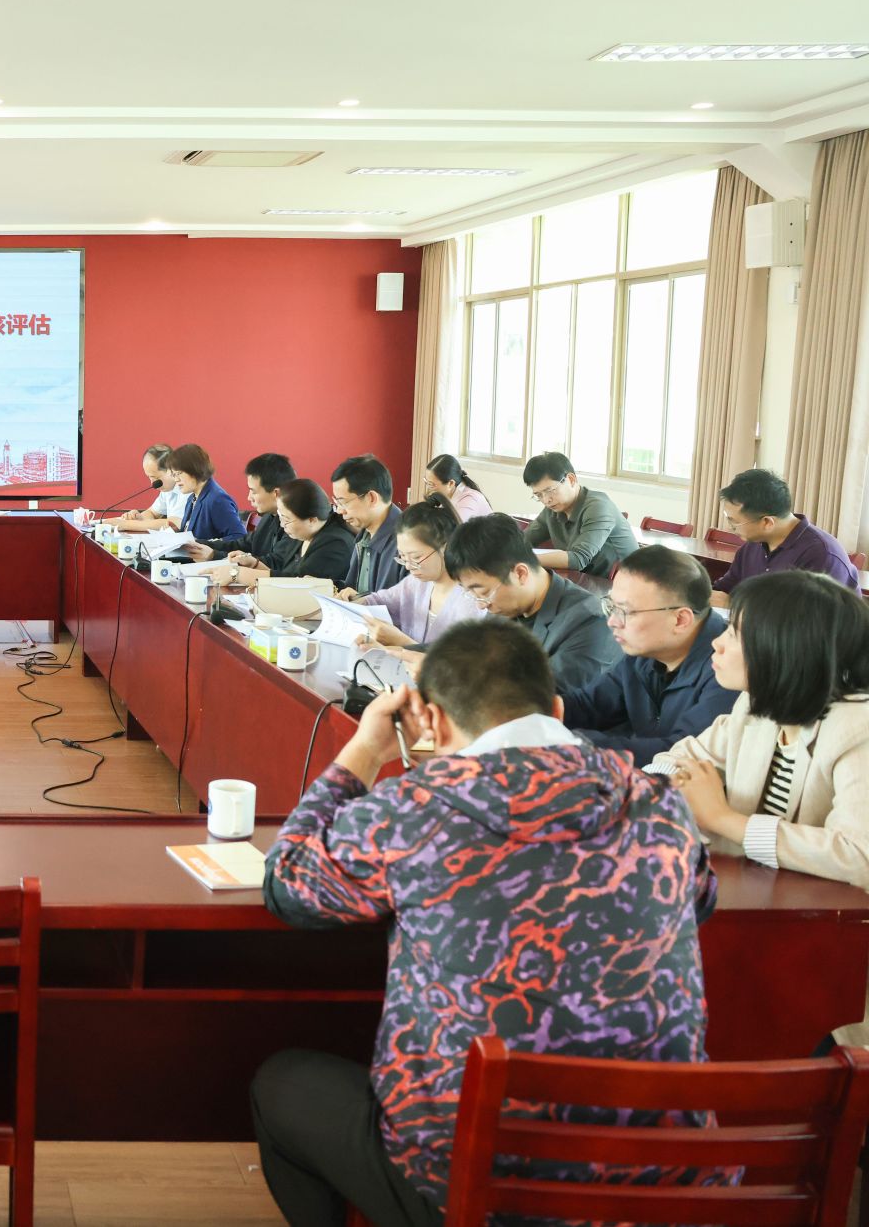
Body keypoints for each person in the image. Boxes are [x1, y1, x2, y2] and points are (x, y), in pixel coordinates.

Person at [252, 618, 717, 1227]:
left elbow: (288, 883)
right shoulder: (658, 804)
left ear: (433, 721)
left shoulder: (416, 808)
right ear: (556, 709)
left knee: (281, 1084)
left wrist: (365, 750)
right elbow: (700, 899)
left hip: (482, 1182)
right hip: (658, 1184)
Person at [662, 571, 869, 892]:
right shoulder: (757, 704)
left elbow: (859, 856)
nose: (717, 643)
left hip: (824, 912)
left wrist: (722, 819)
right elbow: (676, 759)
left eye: (734, 633)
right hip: (753, 890)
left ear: (784, 650)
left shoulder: (857, 729)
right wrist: (668, 786)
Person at [559, 546, 736, 766]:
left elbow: (679, 755)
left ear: (680, 619)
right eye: (611, 606)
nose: (612, 621)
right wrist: (536, 710)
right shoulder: (647, 650)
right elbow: (590, 705)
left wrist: (570, 744)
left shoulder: (729, 669)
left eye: (625, 611)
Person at [443, 513, 620, 688]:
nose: (481, 604)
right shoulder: (505, 606)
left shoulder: (588, 621)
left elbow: (543, 696)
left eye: (483, 592)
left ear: (520, 573)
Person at [355, 495, 481, 674]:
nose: (408, 566)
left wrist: (402, 642)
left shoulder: (472, 599)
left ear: (446, 547)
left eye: (416, 557)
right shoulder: (417, 584)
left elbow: (459, 668)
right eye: (402, 557)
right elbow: (380, 600)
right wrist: (351, 603)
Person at [711, 468, 860, 605]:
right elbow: (725, 589)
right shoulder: (753, 545)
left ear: (767, 522)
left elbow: (807, 619)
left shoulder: (822, 554)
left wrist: (733, 605)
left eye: (735, 522)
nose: (730, 527)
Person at [522, 451, 636, 577]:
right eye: (538, 495)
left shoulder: (598, 507)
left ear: (571, 480)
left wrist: (521, 558)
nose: (546, 500)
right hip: (585, 580)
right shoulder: (553, 508)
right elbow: (523, 540)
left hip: (620, 583)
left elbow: (578, 559)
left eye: (550, 490)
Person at [232, 478, 354, 584]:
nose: (282, 524)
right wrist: (255, 563)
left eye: (286, 520)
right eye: (280, 517)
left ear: (312, 520)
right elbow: (285, 572)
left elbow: (298, 583)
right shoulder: (304, 533)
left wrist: (239, 575)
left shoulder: (336, 544)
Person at [189, 451, 294, 564]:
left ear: (276, 493)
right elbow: (244, 544)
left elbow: (275, 563)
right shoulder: (269, 516)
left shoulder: (293, 524)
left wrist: (214, 555)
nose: (249, 497)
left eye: (253, 491)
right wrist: (199, 543)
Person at [331, 455, 407, 597]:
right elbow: (356, 589)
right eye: (337, 503)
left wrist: (361, 599)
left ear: (371, 498)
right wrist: (325, 586)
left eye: (343, 502)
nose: (340, 510)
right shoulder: (364, 535)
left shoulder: (407, 542)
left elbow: (406, 604)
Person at [163, 443, 245, 542]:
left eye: (178, 473)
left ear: (194, 468)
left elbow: (239, 536)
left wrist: (207, 545)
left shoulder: (217, 499)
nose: (176, 479)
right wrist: (178, 532)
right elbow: (196, 535)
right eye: (173, 475)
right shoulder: (192, 498)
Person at [105, 443, 178, 532]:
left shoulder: (186, 489)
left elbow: (175, 523)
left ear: (171, 470)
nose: (152, 483)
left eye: (156, 477)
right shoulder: (167, 491)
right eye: (149, 477)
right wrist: (139, 518)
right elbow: (152, 513)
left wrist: (125, 525)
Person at [421, 454, 491, 519]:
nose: (428, 488)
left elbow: (454, 527)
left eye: (431, 484)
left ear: (451, 483)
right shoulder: (446, 495)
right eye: (426, 482)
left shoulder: (469, 500)